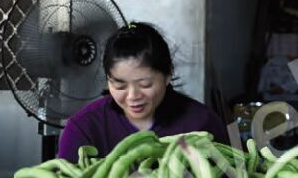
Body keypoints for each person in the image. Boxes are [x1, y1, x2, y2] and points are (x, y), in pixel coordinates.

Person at [58, 22, 230, 161]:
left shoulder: (202, 124)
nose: (133, 96)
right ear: (108, 80)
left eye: (145, 84)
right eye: (119, 85)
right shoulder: (83, 128)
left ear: (168, 74)